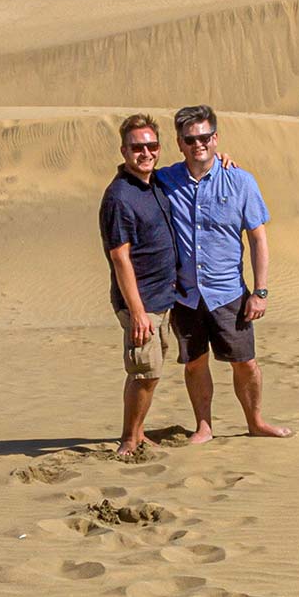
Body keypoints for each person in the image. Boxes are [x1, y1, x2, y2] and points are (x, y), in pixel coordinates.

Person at [157, 105, 291, 442]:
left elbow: (258, 237)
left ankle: (255, 421)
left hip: (229, 292)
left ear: (215, 138)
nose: (198, 144)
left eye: (205, 137)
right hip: (185, 295)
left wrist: (260, 292)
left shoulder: (240, 180)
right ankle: (204, 425)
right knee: (194, 363)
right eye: (190, 139)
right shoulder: (165, 181)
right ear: (180, 142)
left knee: (245, 362)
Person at [98, 114, 177, 458]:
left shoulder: (156, 183)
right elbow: (120, 258)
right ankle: (129, 439)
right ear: (124, 150)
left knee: (151, 369)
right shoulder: (120, 196)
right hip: (141, 303)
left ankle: (139, 431)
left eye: (151, 145)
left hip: (162, 298)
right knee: (145, 371)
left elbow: (197, 167)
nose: (145, 152)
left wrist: (222, 160)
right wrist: (138, 311)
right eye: (137, 147)